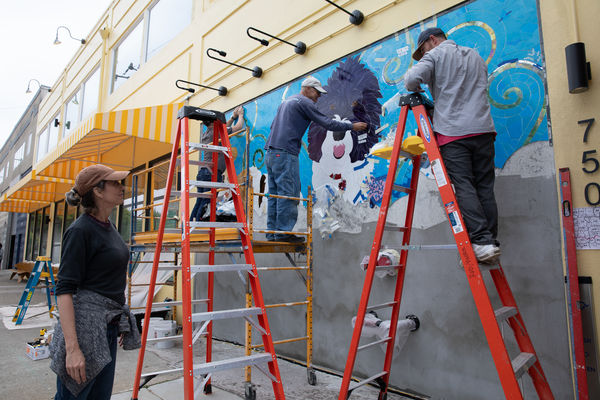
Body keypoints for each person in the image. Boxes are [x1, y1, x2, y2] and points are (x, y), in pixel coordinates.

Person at [404, 27, 500, 263]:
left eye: (423, 48)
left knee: (464, 185)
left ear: (432, 40)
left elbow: (409, 80)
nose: (424, 53)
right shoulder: (475, 55)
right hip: (484, 130)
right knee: (485, 187)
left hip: (454, 133)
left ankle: (480, 240)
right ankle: (489, 242)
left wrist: (417, 86)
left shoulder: (436, 54)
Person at [50, 164, 140, 400]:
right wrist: (72, 349)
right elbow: (64, 291)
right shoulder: (80, 231)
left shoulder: (109, 226)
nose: (122, 187)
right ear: (98, 191)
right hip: (84, 331)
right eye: (115, 183)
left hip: (106, 328)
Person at [265, 77, 368, 242]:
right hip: (285, 153)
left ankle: (272, 232)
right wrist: (351, 126)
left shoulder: (286, 103)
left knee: (275, 193)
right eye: (317, 93)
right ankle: (283, 233)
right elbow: (327, 123)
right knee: (289, 192)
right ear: (308, 89)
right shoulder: (304, 102)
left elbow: (273, 127)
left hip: (270, 153)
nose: (318, 97)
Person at [190, 106, 245, 221]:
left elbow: (224, 127)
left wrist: (232, 117)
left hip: (203, 173)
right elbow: (238, 127)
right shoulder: (216, 133)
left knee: (200, 200)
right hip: (211, 174)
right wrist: (240, 115)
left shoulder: (207, 133)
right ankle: (200, 224)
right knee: (206, 202)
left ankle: (191, 224)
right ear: (214, 122)